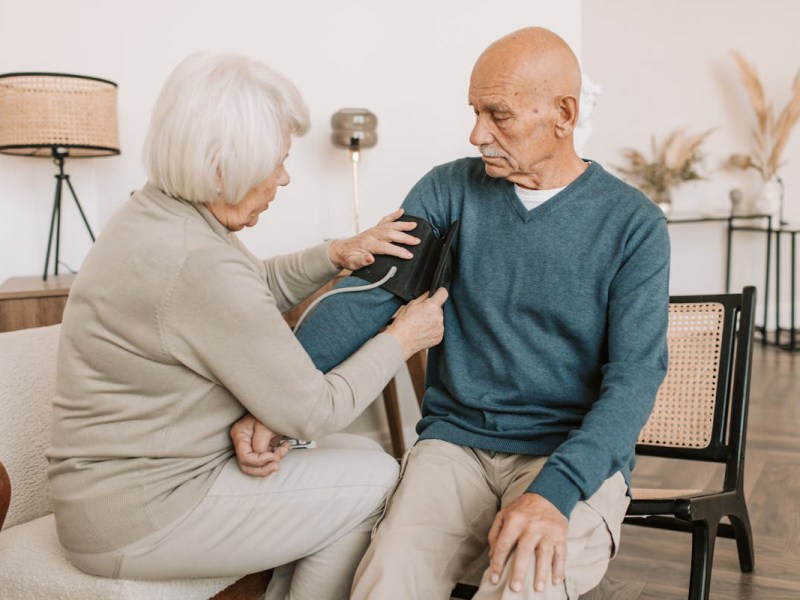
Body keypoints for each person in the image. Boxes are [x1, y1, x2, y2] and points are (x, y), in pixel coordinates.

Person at [241, 26, 670, 599]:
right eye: (474, 111)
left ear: (563, 115)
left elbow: (635, 378)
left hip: (563, 450)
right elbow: (368, 300)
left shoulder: (633, 225)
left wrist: (557, 492)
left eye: (498, 114)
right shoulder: (448, 191)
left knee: (524, 585)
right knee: (386, 581)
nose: (476, 134)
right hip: (455, 444)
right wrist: (280, 400)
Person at [45, 52, 447, 600]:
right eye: (276, 162)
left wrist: (335, 253)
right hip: (139, 516)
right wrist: (403, 338)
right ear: (220, 167)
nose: (284, 178)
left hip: (119, 493)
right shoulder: (195, 261)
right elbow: (314, 411)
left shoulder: (159, 212)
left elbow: (245, 287)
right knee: (377, 480)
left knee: (358, 459)